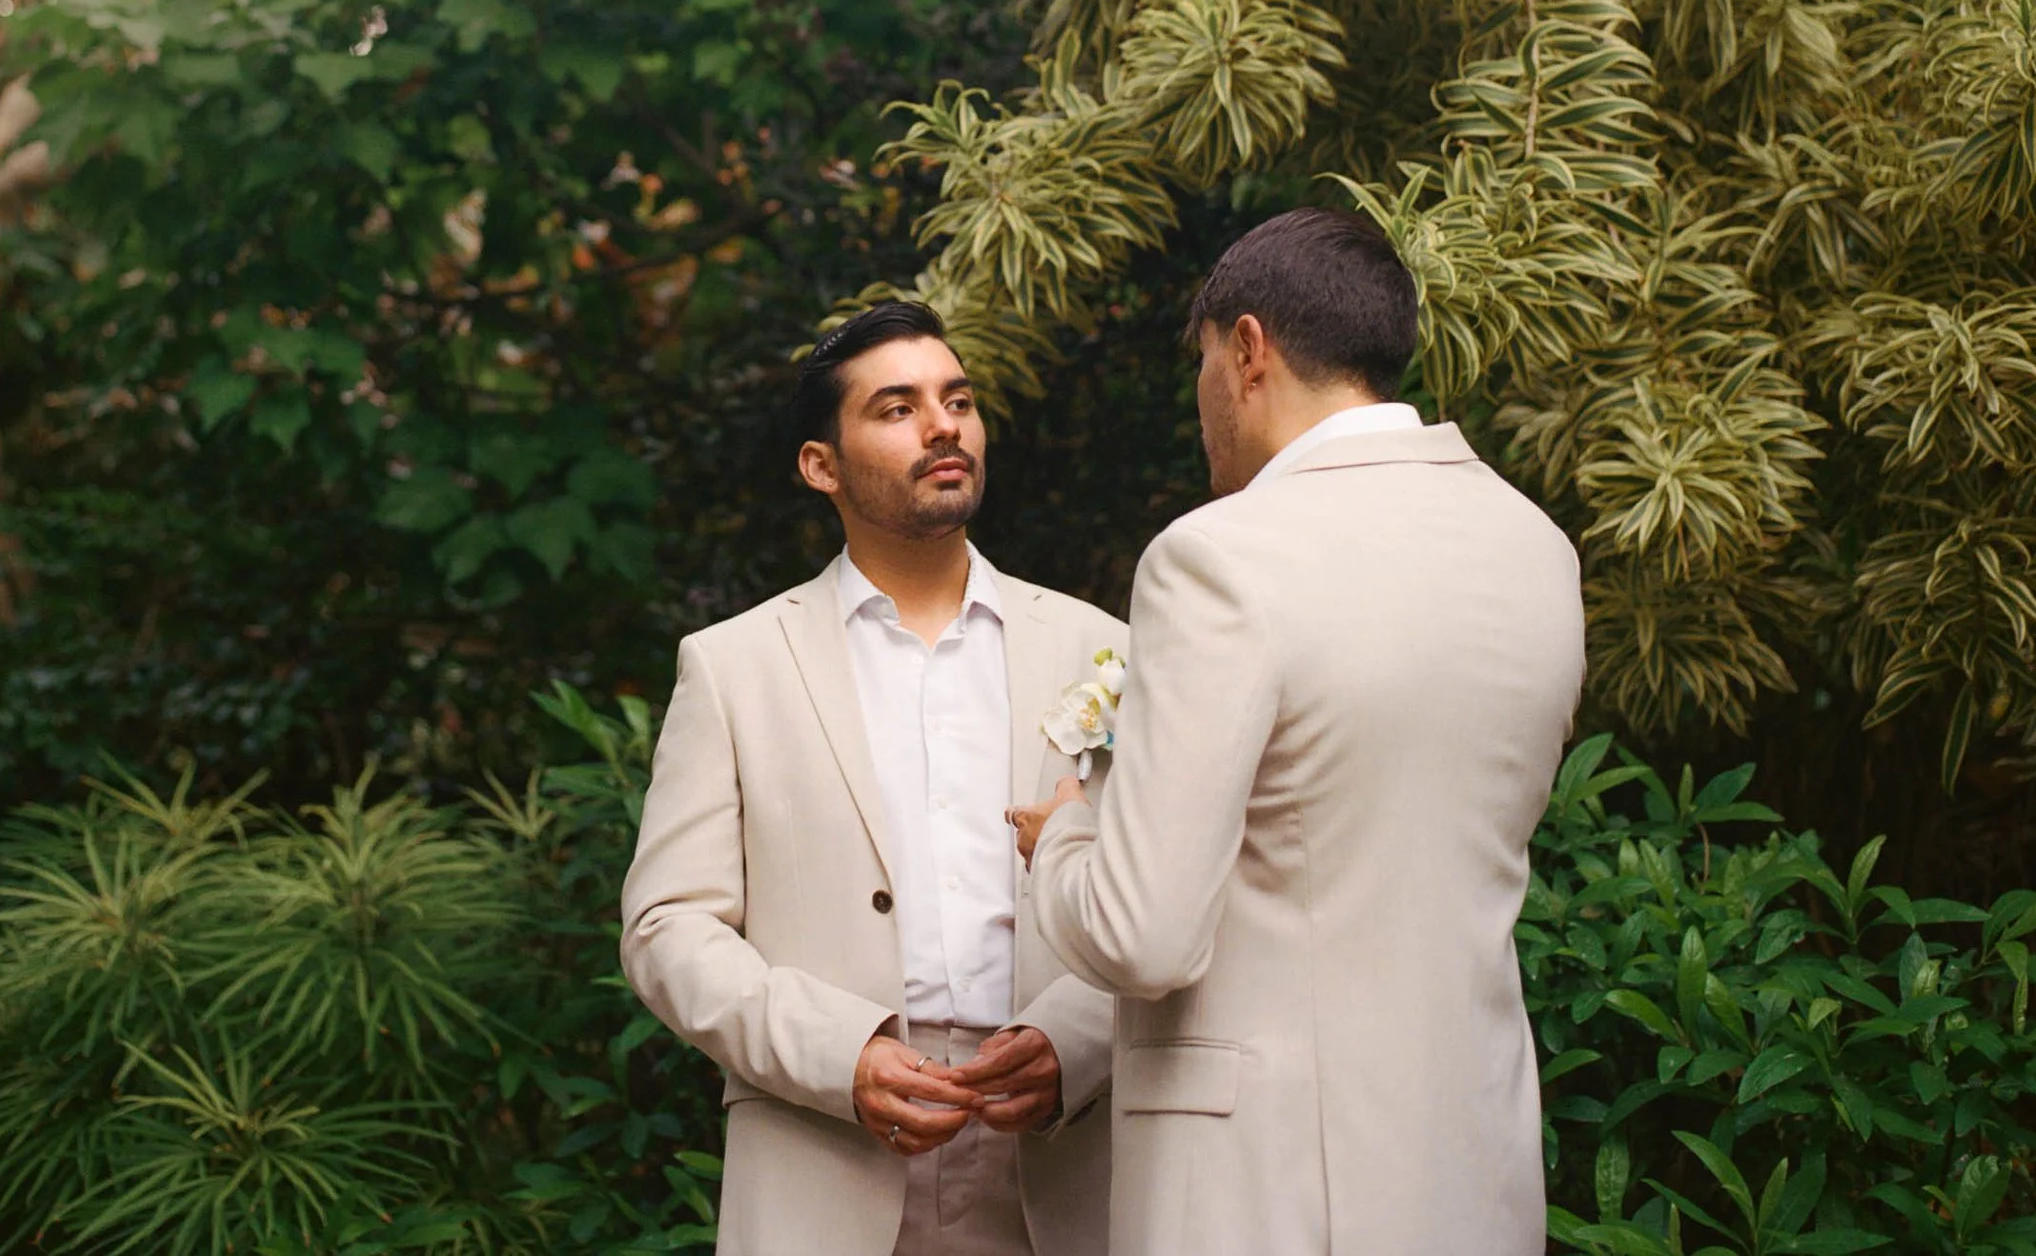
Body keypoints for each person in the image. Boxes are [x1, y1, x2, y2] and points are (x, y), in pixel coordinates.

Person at [1011, 208, 1584, 1256]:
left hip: (1264, 1190)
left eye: (1199, 367)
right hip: (1472, 1170)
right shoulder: (1535, 547)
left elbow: (1144, 933)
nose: (1200, 405)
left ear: (1245, 350)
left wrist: (1064, 836)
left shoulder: (1219, 558)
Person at [622, 300, 1122, 1256]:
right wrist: (837, 1053)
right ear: (822, 465)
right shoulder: (735, 666)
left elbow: (1171, 894)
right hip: (826, 1154)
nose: (944, 425)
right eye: (896, 409)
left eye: (958, 400)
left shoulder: (1102, 647)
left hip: (1060, 1161)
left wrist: (1078, 1041)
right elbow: (667, 926)